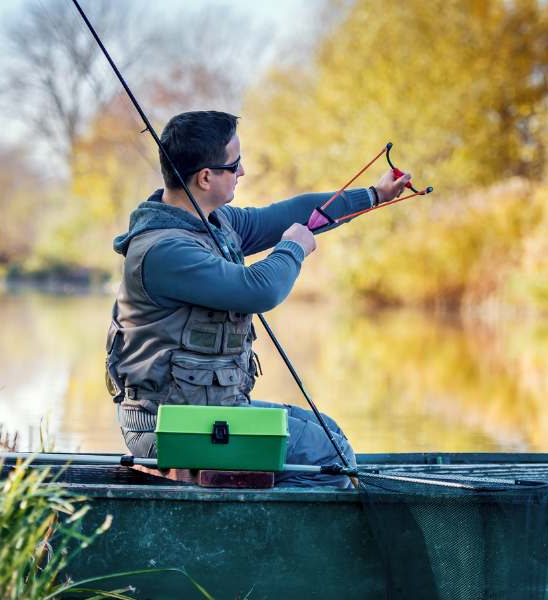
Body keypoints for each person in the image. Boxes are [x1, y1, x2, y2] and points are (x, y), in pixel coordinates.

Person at [106, 110, 411, 487]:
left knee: (327, 432)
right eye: (235, 165)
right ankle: (268, 540)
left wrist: (373, 195)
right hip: (166, 426)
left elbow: (290, 213)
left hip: (204, 417)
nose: (243, 172)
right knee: (327, 454)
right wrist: (293, 249)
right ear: (205, 177)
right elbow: (259, 289)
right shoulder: (165, 250)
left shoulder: (217, 224)